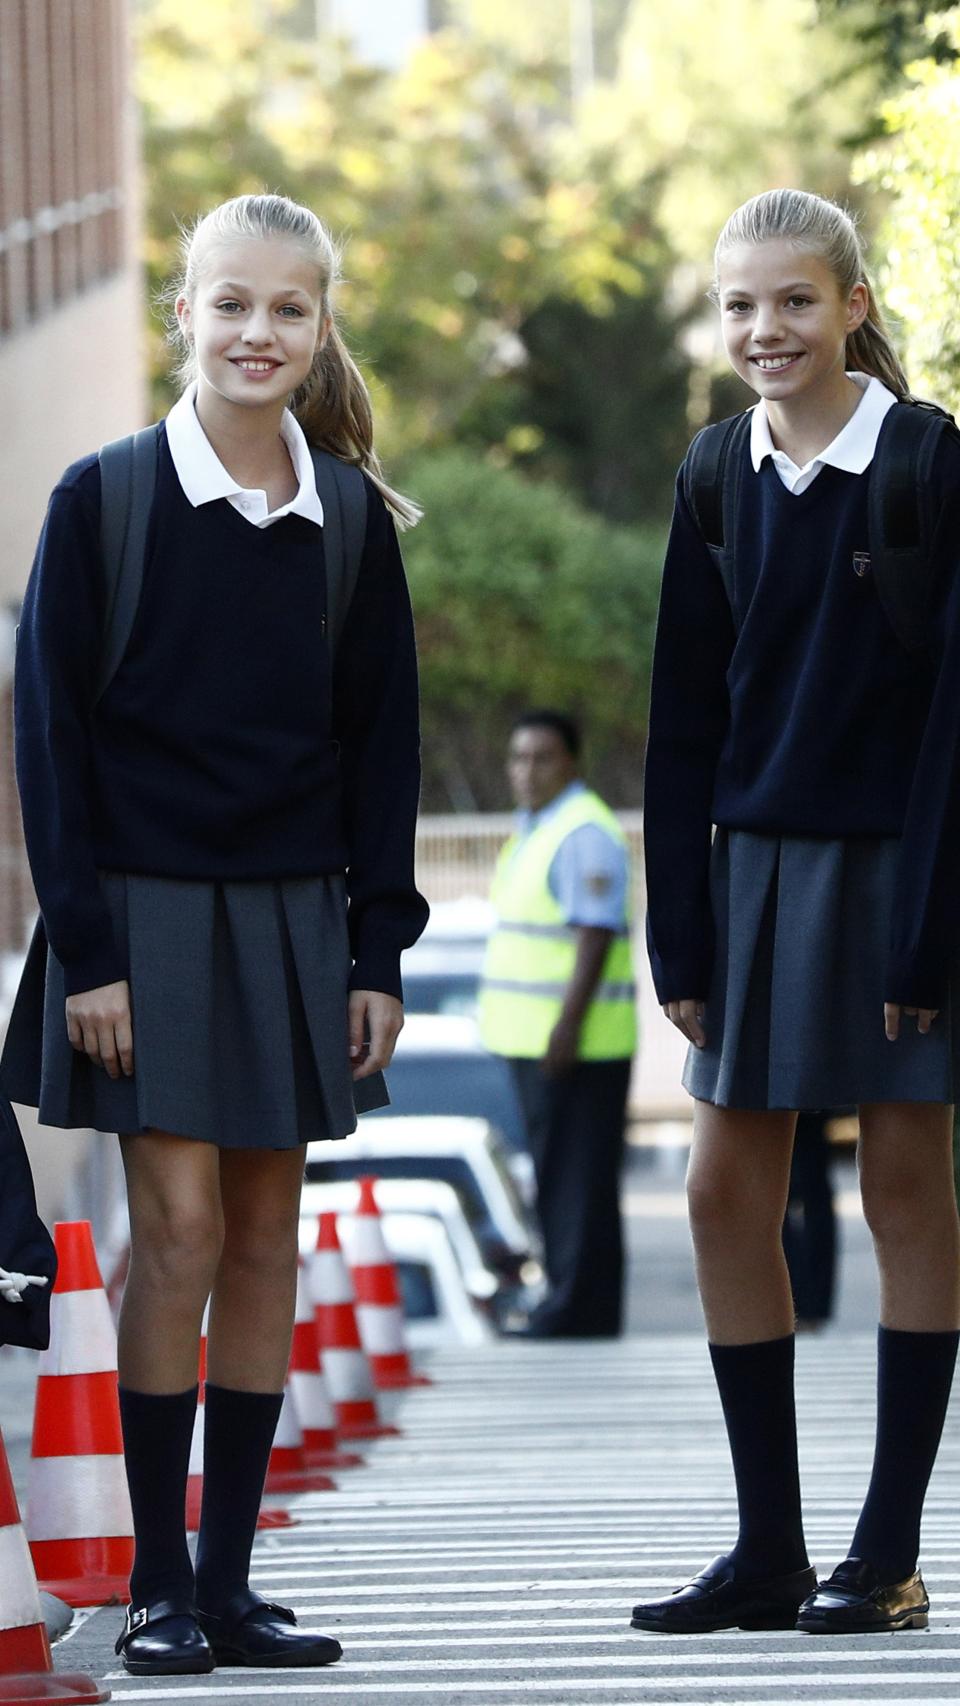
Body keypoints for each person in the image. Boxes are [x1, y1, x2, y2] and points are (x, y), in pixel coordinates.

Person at [1, 193, 428, 1675]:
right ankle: (163, 1579)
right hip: (146, 926)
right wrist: (92, 949)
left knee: (264, 1240)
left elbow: (385, 754)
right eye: (230, 304)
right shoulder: (104, 498)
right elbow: (49, 744)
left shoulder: (354, 522)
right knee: (173, 1234)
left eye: (289, 311)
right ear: (183, 314)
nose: (259, 333)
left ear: (321, 330)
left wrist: (379, 951)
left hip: (301, 921)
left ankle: (236, 1585)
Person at [635, 188, 960, 1637]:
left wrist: (932, 922)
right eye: (741, 306)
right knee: (721, 1192)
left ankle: (885, 1550)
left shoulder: (930, 464)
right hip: (753, 871)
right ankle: (770, 1546)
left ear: (856, 310)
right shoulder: (714, 474)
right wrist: (682, 929)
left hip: (903, 864)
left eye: (795, 301)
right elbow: (681, 725)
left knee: (905, 1191)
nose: (766, 330)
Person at [478, 711, 637, 1337]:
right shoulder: (537, 828)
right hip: (539, 1041)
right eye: (518, 757)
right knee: (561, 1179)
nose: (526, 770)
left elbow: (594, 935)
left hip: (576, 1045)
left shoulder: (581, 832)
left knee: (577, 1185)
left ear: (571, 763)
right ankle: (575, 1305)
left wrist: (566, 1028)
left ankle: (574, 1309)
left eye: (542, 757)